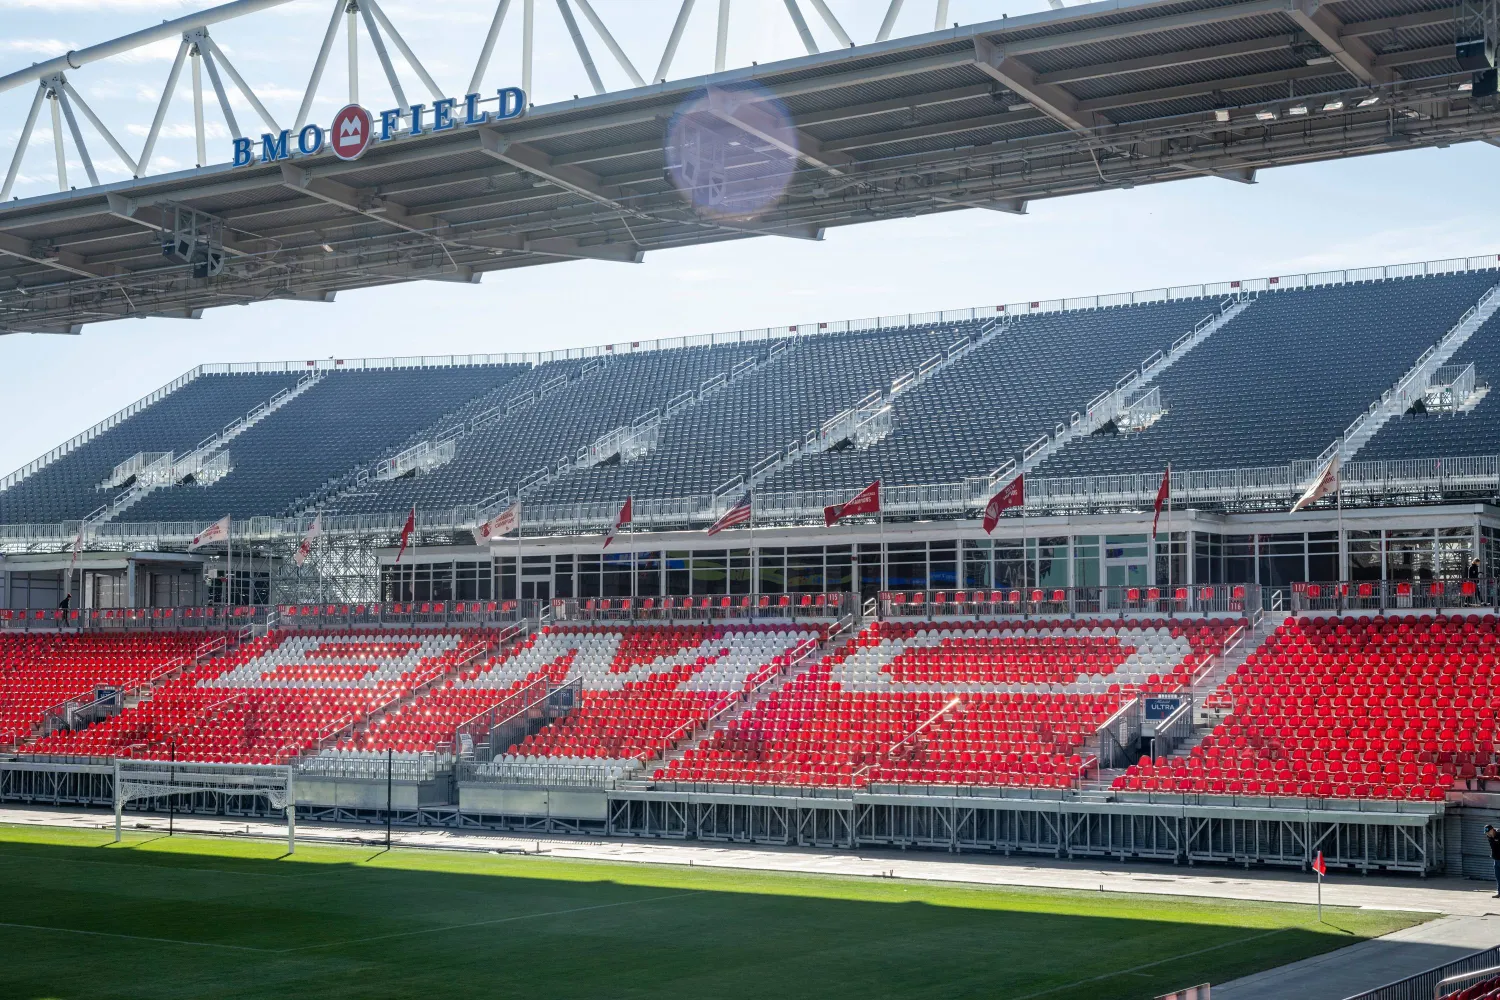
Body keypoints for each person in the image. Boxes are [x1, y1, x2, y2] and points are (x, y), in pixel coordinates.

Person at [1487, 824, 1500, 897]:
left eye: (1489, 832)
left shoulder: (1499, 834)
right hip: (1496, 859)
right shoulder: (1489, 837)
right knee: (1498, 877)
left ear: (1492, 830)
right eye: (1487, 833)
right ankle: (1499, 893)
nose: (1488, 834)